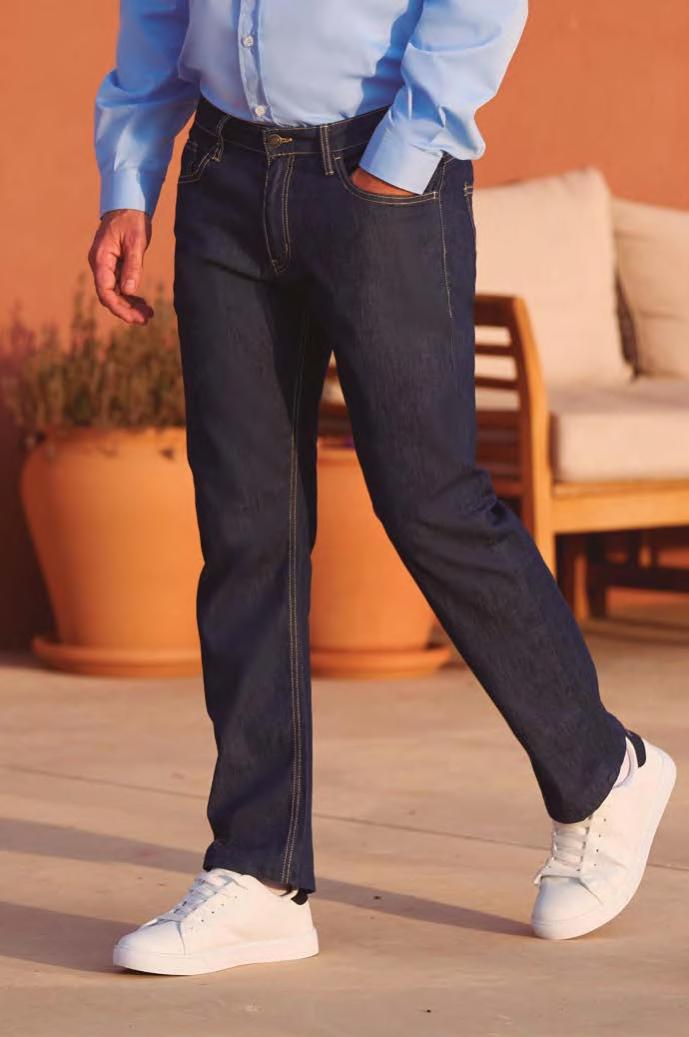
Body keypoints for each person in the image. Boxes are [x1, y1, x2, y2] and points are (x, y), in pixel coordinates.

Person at [89, 1, 676, 976]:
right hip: (223, 174)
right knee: (245, 527)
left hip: (382, 169)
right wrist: (128, 178)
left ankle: (601, 772)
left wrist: (399, 158)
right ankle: (258, 872)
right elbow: (157, 11)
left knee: (429, 500)